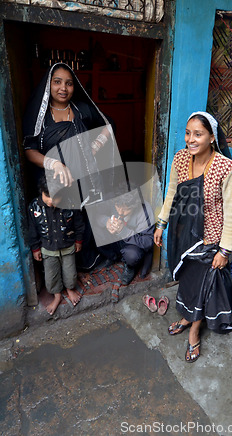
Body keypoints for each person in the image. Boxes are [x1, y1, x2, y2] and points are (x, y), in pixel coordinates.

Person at [154, 111, 232, 363]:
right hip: (183, 233)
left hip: (211, 239)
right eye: (188, 133)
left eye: (198, 134)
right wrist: (161, 224)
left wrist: (225, 251)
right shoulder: (180, 159)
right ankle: (185, 315)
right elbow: (171, 193)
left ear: (212, 137)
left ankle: (194, 329)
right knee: (187, 280)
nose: (191, 139)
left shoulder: (226, 168)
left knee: (203, 286)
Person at [23, 62, 115, 270]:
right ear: (49, 84)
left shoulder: (81, 109)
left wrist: (95, 146)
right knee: (62, 223)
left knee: (87, 219)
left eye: (69, 83)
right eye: (57, 82)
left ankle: (89, 261)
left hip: (85, 176)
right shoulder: (39, 115)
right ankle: (65, 272)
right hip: (56, 181)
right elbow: (29, 150)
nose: (63, 88)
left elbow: (108, 125)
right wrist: (54, 163)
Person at [28, 175, 85, 315]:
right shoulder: (34, 207)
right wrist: (35, 248)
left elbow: (79, 224)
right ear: (41, 191)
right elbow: (32, 230)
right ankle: (57, 295)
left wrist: (78, 241)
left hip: (68, 247)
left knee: (70, 274)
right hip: (48, 249)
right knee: (51, 276)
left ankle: (70, 289)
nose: (51, 201)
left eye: (56, 198)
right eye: (47, 196)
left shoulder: (71, 204)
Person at [96, 188, 155, 286]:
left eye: (126, 209)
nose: (120, 212)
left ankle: (130, 266)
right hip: (115, 241)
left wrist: (124, 231)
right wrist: (106, 222)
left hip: (132, 244)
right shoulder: (113, 200)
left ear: (134, 206)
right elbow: (95, 215)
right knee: (95, 231)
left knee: (132, 255)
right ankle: (112, 256)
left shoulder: (144, 210)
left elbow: (148, 242)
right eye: (118, 207)